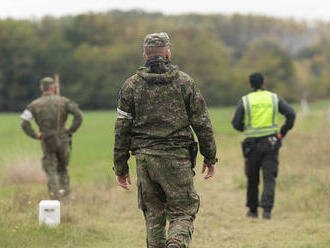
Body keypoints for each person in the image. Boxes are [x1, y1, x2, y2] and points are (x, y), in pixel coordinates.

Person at [113, 32, 218, 248]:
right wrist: (210, 156)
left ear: (144, 55)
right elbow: (202, 122)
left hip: (145, 162)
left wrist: (120, 166)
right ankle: (176, 244)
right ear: (168, 53)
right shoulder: (184, 82)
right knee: (183, 212)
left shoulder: (130, 86)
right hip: (177, 159)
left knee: (153, 215)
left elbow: (122, 129)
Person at [232, 72, 295, 219]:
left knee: (252, 178)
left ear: (250, 85)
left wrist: (246, 129)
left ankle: (252, 211)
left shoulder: (245, 100)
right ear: (263, 83)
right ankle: (266, 211)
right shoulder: (274, 98)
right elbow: (291, 114)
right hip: (271, 143)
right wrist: (282, 133)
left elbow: (236, 123)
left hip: (251, 145)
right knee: (269, 177)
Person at [21, 77, 83, 199]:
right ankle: (65, 196)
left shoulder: (34, 104)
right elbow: (79, 115)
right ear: (53, 87)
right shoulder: (64, 101)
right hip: (63, 139)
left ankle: (55, 198)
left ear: (41, 88)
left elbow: (24, 122)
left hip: (47, 140)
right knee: (63, 168)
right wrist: (70, 129)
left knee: (51, 169)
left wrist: (35, 135)